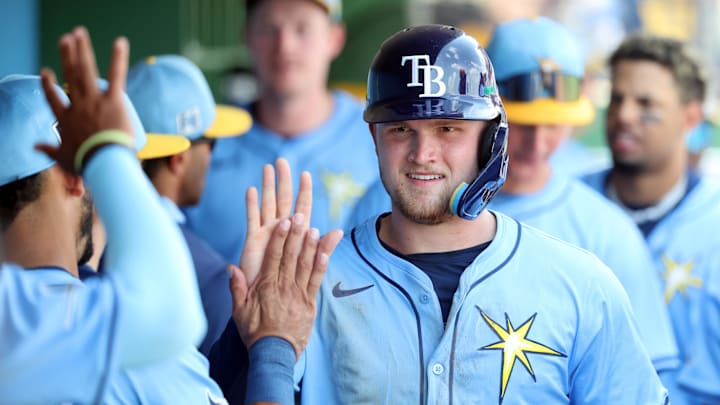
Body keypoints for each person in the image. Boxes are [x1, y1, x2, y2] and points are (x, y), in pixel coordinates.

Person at [213, 24, 668, 403]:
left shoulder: (582, 284)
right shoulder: (306, 287)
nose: (422, 153)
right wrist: (252, 336)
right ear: (374, 138)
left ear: (489, 141)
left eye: (448, 127)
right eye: (401, 129)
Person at [0, 27, 342, 405]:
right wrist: (274, 345)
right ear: (73, 176)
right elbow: (167, 321)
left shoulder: (46, 318)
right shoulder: (100, 330)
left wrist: (241, 343)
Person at [482, 17, 678, 375]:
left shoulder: (606, 232)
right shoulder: (414, 203)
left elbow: (644, 380)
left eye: (554, 125)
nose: (538, 145)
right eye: (522, 123)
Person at [184, 0, 379, 263]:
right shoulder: (202, 146)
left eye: (302, 28)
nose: (284, 45)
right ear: (247, 37)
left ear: (335, 38)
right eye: (268, 27)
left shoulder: (380, 136)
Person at [583, 34, 720, 404]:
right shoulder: (565, 207)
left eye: (645, 102)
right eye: (617, 100)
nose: (624, 115)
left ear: (691, 116)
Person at [127, 54, 252, 356]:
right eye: (211, 143)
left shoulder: (82, 247)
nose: (212, 157)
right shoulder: (211, 280)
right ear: (178, 158)